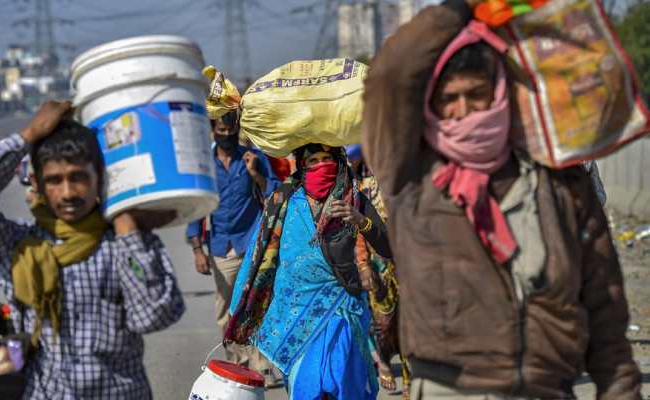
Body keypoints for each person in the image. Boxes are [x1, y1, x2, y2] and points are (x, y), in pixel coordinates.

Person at [362, 1, 641, 399]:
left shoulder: (558, 183)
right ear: (432, 106)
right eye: (449, 99)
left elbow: (604, 305)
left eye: (476, 95)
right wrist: (463, 8)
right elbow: (390, 75)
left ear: (499, 94)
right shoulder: (412, 179)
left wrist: (621, 390)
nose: (463, 112)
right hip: (450, 389)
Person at [0, 100, 185, 399]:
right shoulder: (17, 246)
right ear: (37, 184)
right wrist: (28, 135)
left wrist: (128, 229)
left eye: (78, 177)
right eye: (54, 181)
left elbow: (152, 317)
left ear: (98, 176)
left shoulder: (125, 242)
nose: (68, 193)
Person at [226, 144, 392, 400]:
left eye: (327, 159)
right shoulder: (283, 199)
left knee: (340, 381)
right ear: (302, 165)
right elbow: (259, 254)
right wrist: (239, 307)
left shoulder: (354, 197)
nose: (321, 165)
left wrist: (361, 221)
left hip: (341, 308)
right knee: (308, 387)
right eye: (313, 160)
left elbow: (388, 246)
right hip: (294, 313)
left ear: (338, 161)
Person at [186, 110, 281, 383]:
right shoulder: (204, 163)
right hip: (219, 247)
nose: (226, 136)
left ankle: (261, 365)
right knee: (226, 309)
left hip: (251, 243)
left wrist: (256, 175)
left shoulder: (253, 158)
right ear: (213, 131)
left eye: (231, 131)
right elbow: (196, 205)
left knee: (255, 303)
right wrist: (196, 249)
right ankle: (239, 363)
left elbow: (273, 194)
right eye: (221, 131)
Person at [347, 144, 410, 399]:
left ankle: (409, 380)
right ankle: (383, 361)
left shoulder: (403, 182)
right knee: (383, 323)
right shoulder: (361, 188)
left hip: (406, 263)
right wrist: (363, 264)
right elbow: (360, 234)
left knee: (407, 324)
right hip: (377, 265)